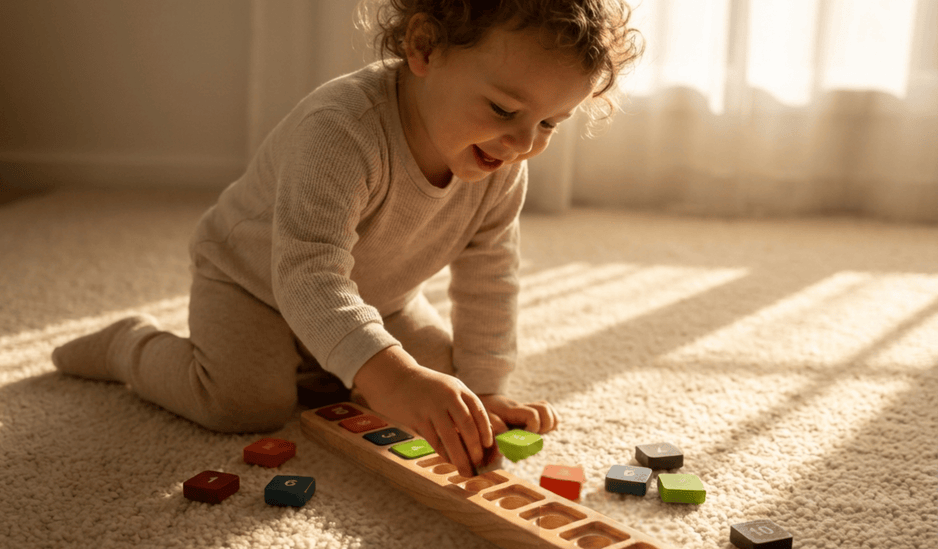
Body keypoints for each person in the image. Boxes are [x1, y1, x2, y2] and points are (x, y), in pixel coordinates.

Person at [51, 0, 643, 477]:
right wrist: (392, 377)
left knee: (447, 384)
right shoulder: (341, 130)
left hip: (380, 295)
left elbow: (491, 275)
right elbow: (307, 276)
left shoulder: (503, 166)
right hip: (254, 284)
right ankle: (128, 346)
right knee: (246, 403)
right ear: (424, 48)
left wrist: (483, 392)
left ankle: (328, 362)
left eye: (548, 123)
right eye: (502, 107)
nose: (522, 142)